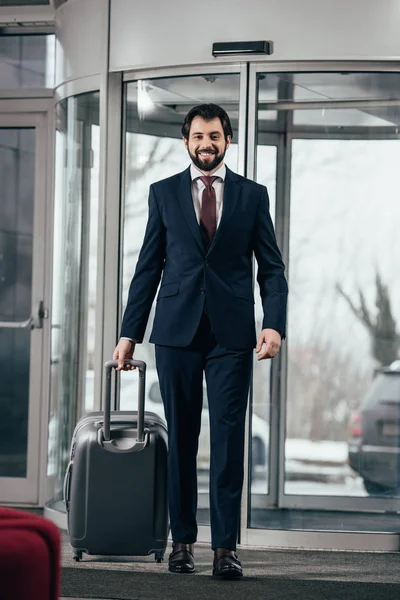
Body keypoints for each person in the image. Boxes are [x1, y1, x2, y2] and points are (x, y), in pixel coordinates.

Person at [113, 103, 288, 579]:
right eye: (197, 137)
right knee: (183, 440)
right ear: (186, 142)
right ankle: (183, 542)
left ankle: (226, 549)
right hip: (175, 332)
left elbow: (271, 268)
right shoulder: (163, 193)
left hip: (232, 334)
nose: (206, 144)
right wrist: (130, 333)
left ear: (227, 140)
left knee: (230, 442)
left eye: (214, 136)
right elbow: (148, 267)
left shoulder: (253, 196)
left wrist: (273, 323)